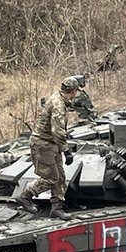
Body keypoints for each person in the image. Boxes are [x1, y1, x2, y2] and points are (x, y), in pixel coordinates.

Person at [16, 77, 79, 221]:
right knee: (51, 178)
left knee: (60, 177)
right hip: (43, 145)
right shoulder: (58, 105)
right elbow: (57, 131)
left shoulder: (59, 98)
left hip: (51, 144)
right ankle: (26, 196)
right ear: (73, 91)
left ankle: (57, 208)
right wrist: (66, 151)